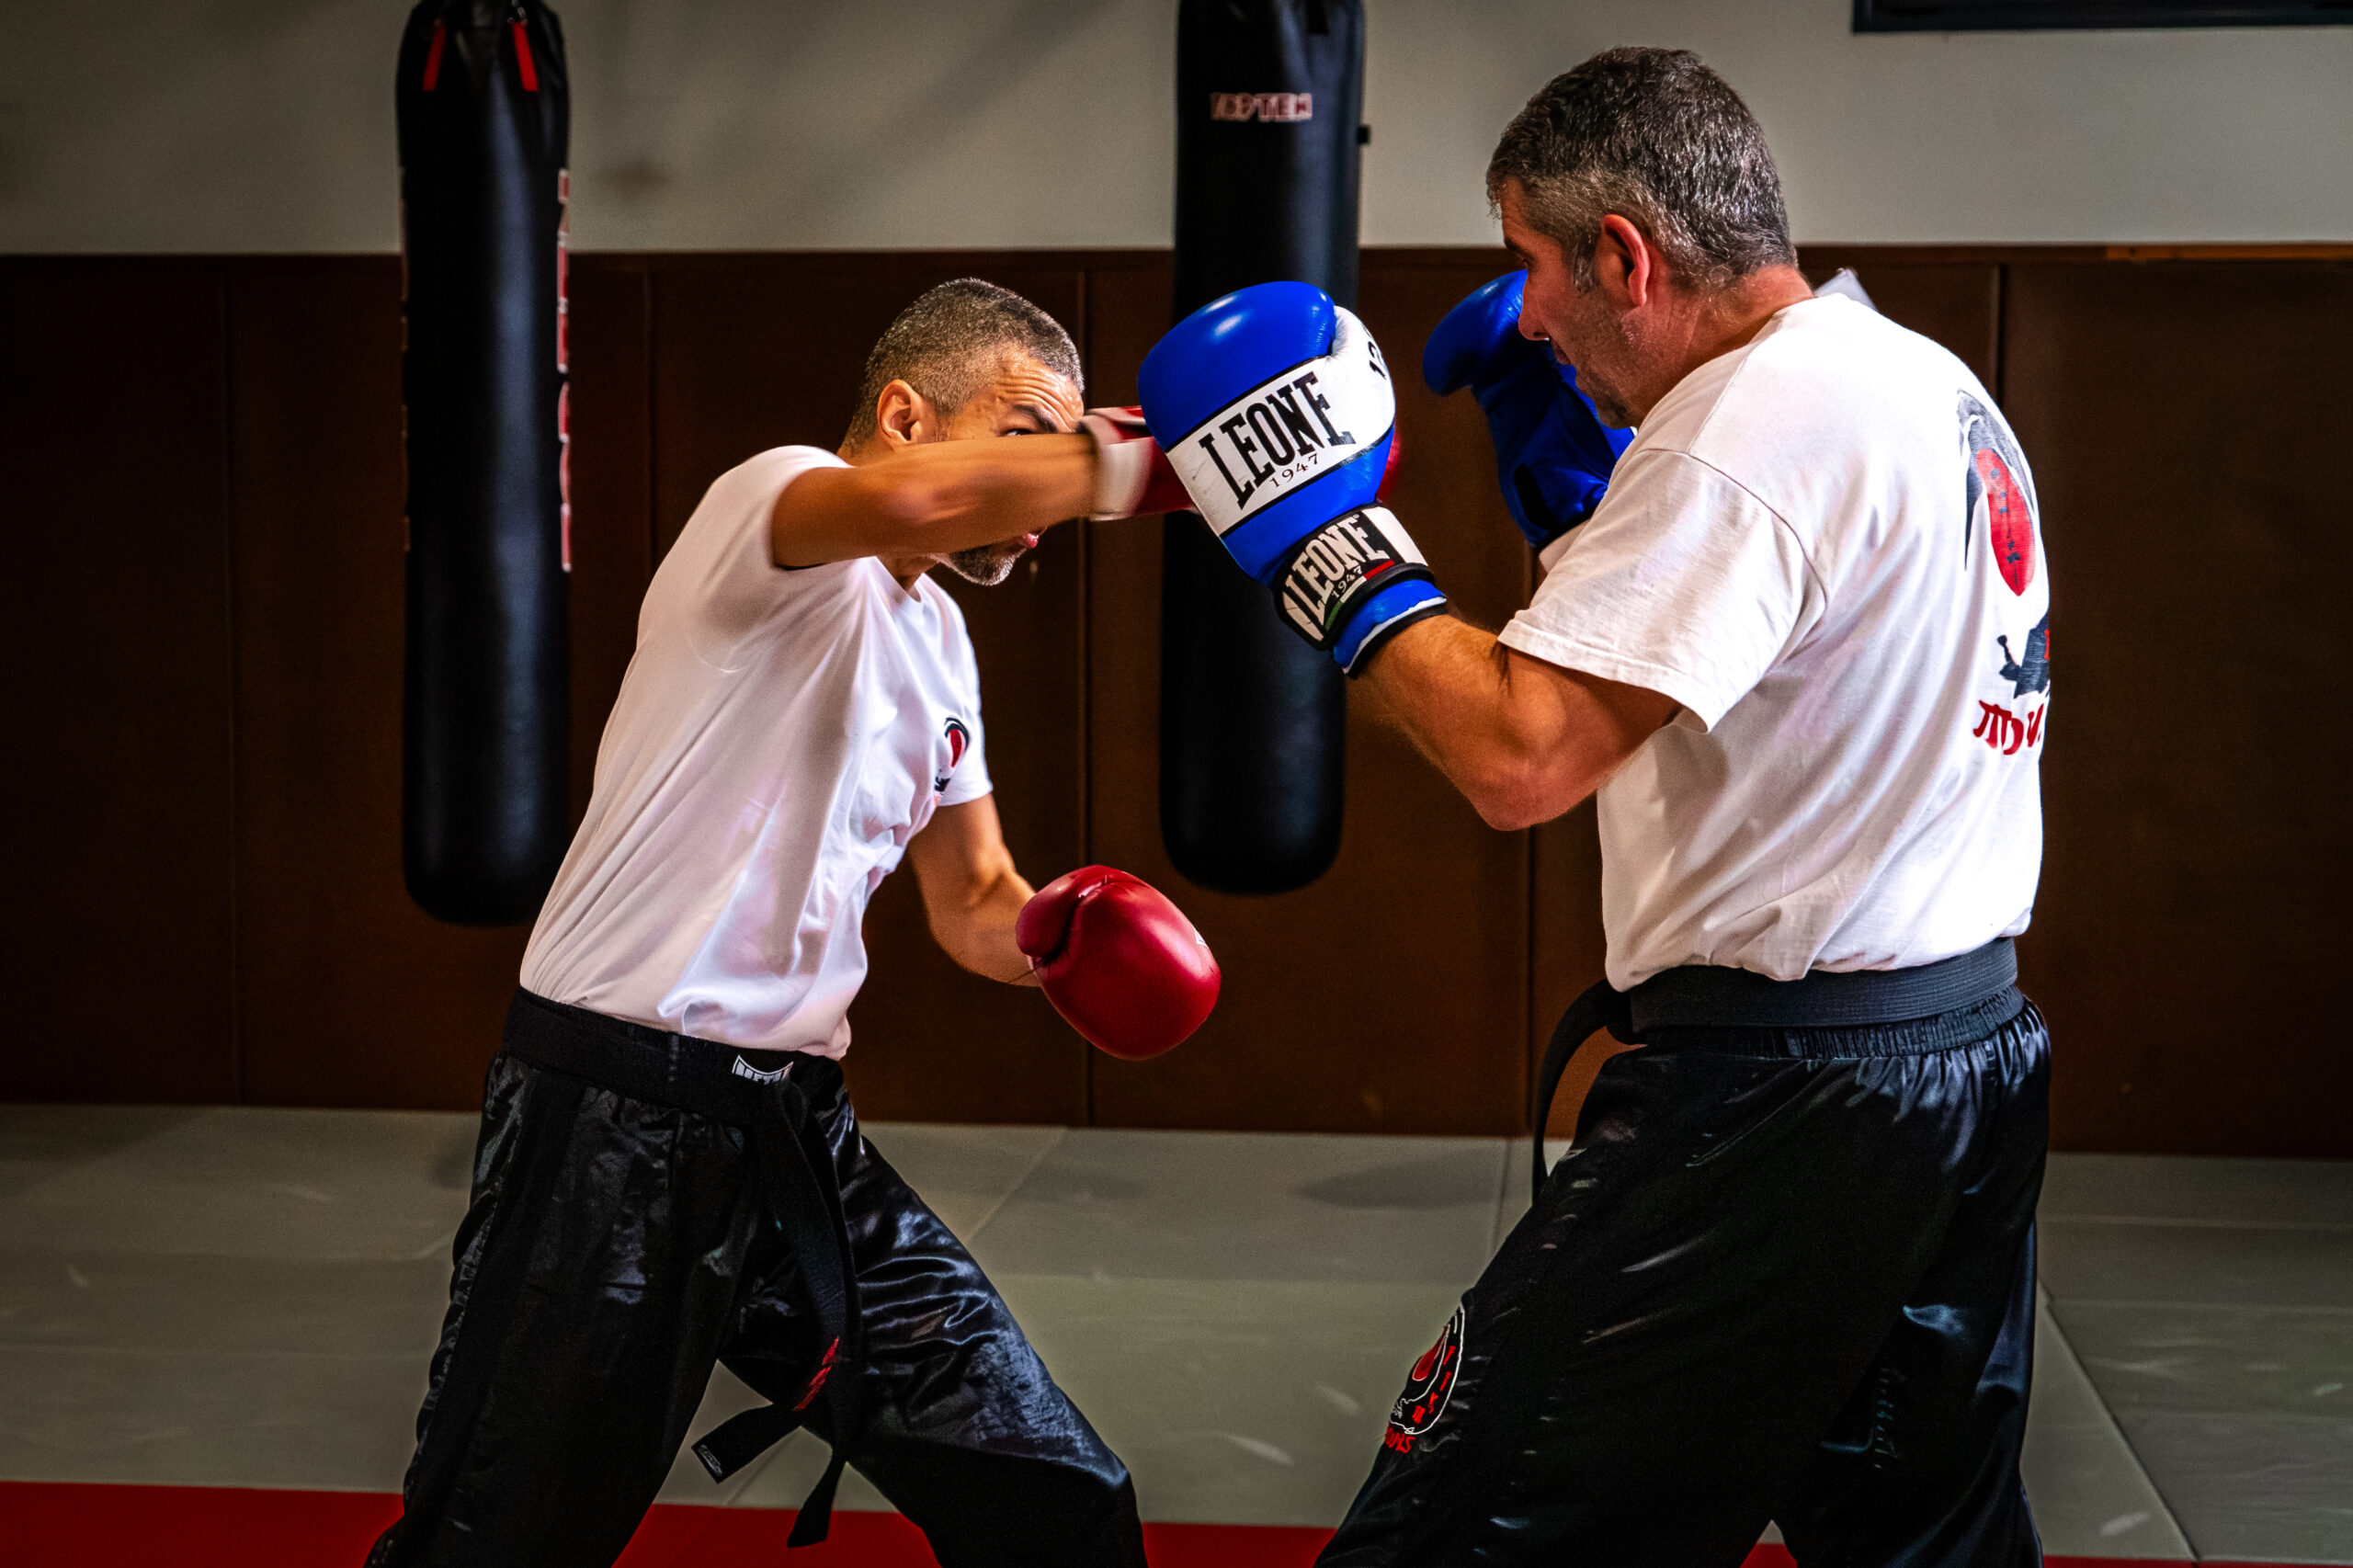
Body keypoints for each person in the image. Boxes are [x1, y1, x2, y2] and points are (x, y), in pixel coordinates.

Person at [1137, 47, 2052, 1568]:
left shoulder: (1747, 428)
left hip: (1779, 1106)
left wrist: (1320, 536)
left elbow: (1524, 757)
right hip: (1963, 1064)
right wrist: (1592, 506)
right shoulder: (1917, 378)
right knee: (1923, 1547)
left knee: (1462, 1528)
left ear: (1625, 255)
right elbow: (1779, 657)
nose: (1528, 312)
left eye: (1535, 264)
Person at [368, 278, 1217, 1568]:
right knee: (492, 1546)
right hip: (610, 1124)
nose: (1039, 498)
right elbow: (920, 503)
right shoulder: (772, 506)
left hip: (796, 1138)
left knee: (1058, 1495)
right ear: (907, 417)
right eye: (1022, 437)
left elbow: (973, 897)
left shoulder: (941, 642)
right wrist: (1155, 465)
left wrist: (1067, 932)